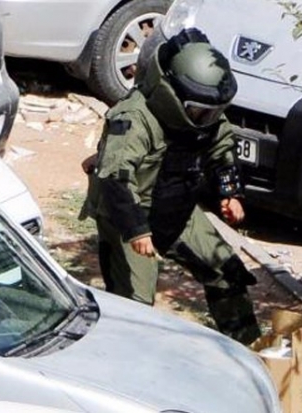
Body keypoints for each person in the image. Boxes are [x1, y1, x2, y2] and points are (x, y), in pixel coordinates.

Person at [79, 28, 261, 345]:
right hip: (130, 216)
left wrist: (230, 192)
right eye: (200, 111)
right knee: (134, 305)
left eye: (215, 111)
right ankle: (120, 360)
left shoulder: (206, 116)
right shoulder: (135, 119)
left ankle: (246, 346)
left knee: (226, 271)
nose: (209, 118)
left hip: (177, 210)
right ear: (172, 94)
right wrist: (137, 231)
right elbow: (115, 178)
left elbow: (222, 149)